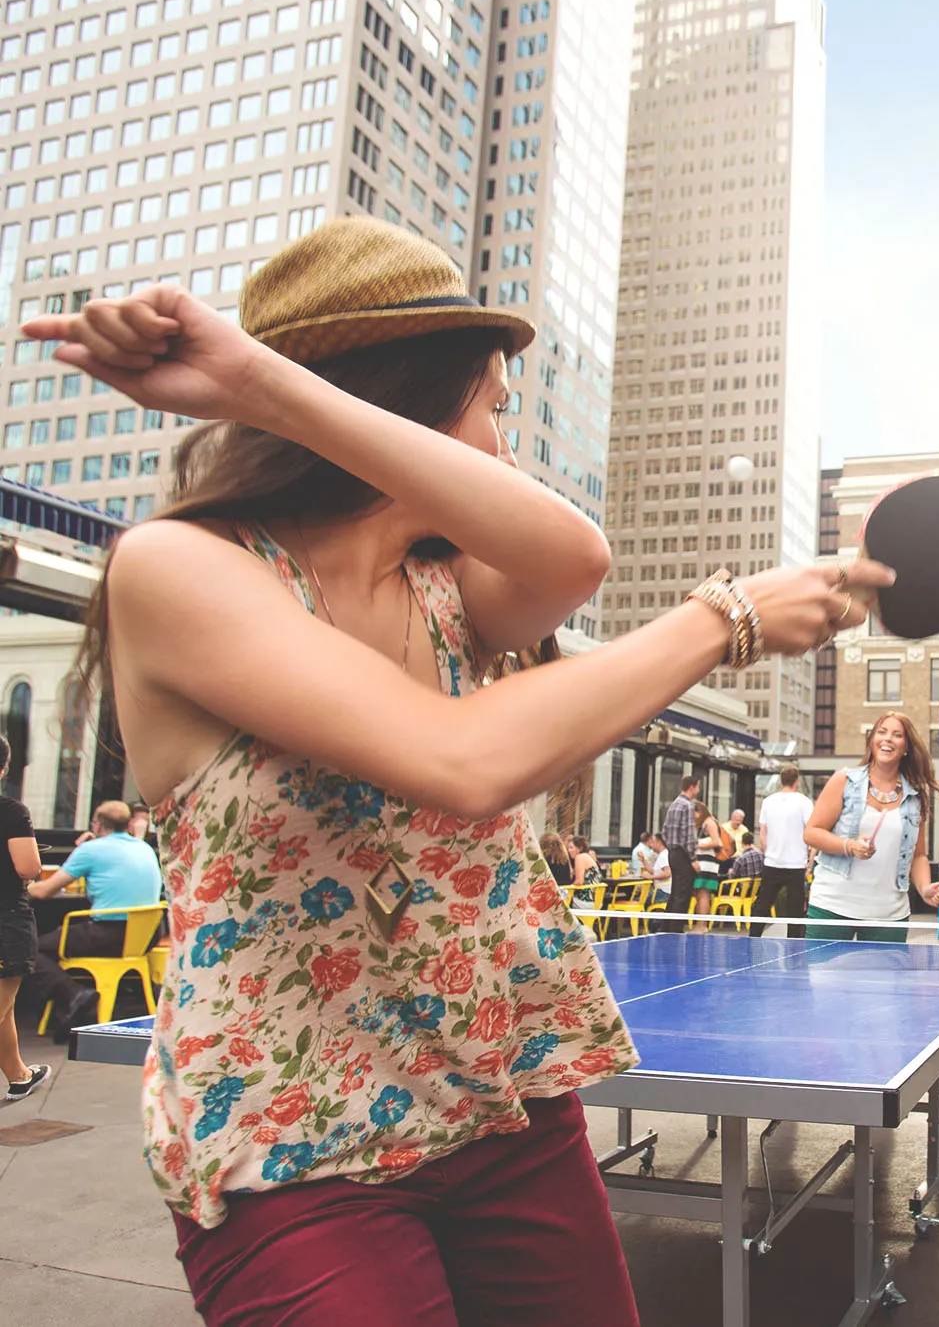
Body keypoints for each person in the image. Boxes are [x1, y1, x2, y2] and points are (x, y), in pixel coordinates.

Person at [23, 219, 885, 1321]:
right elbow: (460, 760)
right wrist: (727, 616)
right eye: (491, 402)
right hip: (293, 1146)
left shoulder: (446, 591)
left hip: (498, 1105)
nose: (506, 435)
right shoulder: (180, 570)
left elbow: (577, 556)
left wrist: (270, 387)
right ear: (409, 403)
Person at [25, 800, 166, 1038]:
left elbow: (43, 891)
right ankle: (73, 999)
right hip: (147, 935)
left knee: (30, 947)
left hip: (110, 934)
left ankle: (74, 995)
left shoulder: (91, 850)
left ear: (97, 824)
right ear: (128, 824)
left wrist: (18, 888)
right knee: (63, 935)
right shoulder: (144, 848)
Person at [802, 713, 939, 942]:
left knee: (883, 980)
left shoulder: (915, 797)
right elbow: (811, 832)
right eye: (882, 732)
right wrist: (849, 846)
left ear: (906, 747)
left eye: (897, 735)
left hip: (888, 915)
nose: (888, 738)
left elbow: (918, 855)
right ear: (872, 740)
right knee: (824, 979)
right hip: (832, 906)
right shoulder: (844, 780)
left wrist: (925, 887)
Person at [0, 738, 49, 1102]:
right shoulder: (11, 811)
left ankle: (19, 1075)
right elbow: (29, 868)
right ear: (3, 769)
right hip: (6, 918)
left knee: (5, 1005)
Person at [751, 766, 813, 936]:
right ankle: (794, 944)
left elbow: (763, 836)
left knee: (762, 905)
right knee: (795, 910)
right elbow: (811, 832)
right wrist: (811, 859)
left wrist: (768, 852)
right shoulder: (804, 802)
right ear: (797, 781)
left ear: (780, 780)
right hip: (796, 864)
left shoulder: (768, 801)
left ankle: (753, 938)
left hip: (772, 862)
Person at [660, 777, 704, 921]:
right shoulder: (687, 805)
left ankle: (666, 928)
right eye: (698, 786)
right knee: (683, 895)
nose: (699, 790)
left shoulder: (674, 804)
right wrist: (693, 859)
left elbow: (665, 831)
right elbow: (687, 835)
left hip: (673, 853)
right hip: (683, 854)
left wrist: (671, 848)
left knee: (675, 892)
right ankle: (675, 931)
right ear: (692, 787)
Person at [691, 801, 727, 925]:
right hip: (705, 863)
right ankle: (700, 924)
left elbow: (717, 842)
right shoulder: (706, 823)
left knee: (703, 894)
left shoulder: (709, 822)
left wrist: (698, 845)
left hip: (706, 864)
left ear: (700, 811)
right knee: (700, 894)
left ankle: (701, 925)